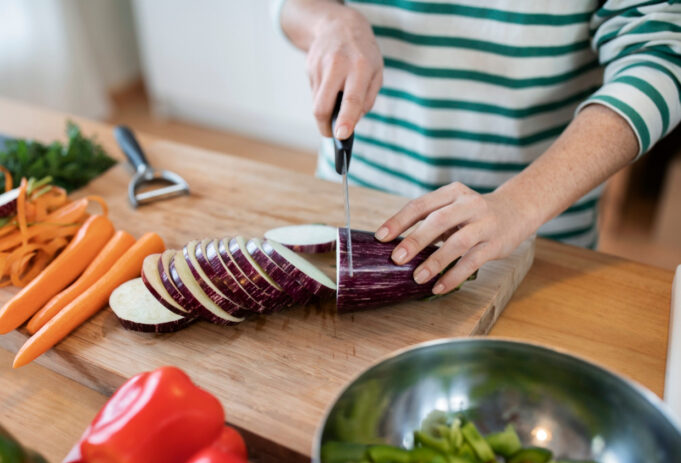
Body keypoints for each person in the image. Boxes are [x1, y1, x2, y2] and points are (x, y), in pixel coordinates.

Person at [277, 0, 681, 294]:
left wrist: (522, 203)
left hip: (530, 236)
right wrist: (326, 19)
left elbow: (663, 56)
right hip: (354, 197)